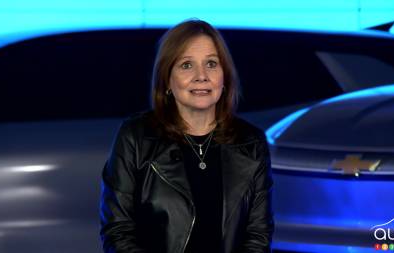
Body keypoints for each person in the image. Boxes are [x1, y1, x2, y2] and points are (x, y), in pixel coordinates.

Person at [99, 19, 274, 253]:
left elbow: (258, 237)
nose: (201, 76)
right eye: (186, 65)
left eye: (212, 64)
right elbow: (118, 231)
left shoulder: (251, 142)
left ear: (225, 78)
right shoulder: (136, 137)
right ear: (167, 80)